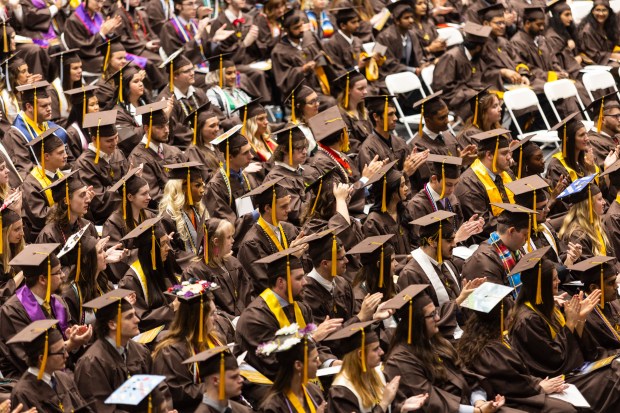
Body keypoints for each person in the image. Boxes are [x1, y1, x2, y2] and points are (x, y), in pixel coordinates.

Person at [507, 250, 620, 412]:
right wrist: (571, 323)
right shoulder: (527, 320)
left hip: (574, 368)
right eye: (553, 279)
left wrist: (580, 319)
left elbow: (582, 349)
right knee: (614, 379)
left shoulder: (549, 307)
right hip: (558, 379)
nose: (559, 281)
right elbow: (554, 361)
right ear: (542, 284)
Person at [383, 285, 509, 411]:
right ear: (416, 322)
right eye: (431, 315)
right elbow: (431, 403)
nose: (438, 318)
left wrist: (479, 401)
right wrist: (476, 411)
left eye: (436, 312)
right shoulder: (400, 361)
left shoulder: (438, 342)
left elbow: (466, 375)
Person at [457, 282, 578, 412]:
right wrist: (540, 387)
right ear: (498, 320)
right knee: (565, 409)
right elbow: (510, 383)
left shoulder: (479, 337)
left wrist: (539, 383)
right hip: (506, 401)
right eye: (508, 318)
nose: (510, 322)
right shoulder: (488, 350)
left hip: (518, 392)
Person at [235, 246, 340, 381]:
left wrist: (332, 363)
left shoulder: (302, 308)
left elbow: (317, 349)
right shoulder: (255, 317)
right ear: (281, 282)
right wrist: (311, 338)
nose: (305, 282)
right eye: (299, 278)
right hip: (270, 388)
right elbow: (272, 360)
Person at [0, 244, 92, 379]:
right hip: (29, 382)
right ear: (42, 279)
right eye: (58, 272)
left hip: (63, 371)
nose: (63, 276)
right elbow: (28, 360)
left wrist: (72, 335)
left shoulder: (58, 302)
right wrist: (69, 345)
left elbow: (72, 349)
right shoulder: (11, 312)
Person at [401, 211, 485, 340]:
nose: (454, 244)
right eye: (449, 240)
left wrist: (470, 295)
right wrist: (458, 301)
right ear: (431, 241)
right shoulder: (411, 274)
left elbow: (460, 306)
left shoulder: (448, 264)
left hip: (461, 331)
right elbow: (421, 319)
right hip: (437, 341)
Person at [74, 289, 153, 413]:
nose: (137, 320)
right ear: (112, 324)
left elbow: (156, 389)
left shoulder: (140, 351)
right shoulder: (92, 363)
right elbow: (99, 407)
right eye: (129, 317)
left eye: (135, 314)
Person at [325, 321, 429, 413]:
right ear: (361, 355)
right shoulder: (342, 392)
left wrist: (402, 407)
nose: (382, 352)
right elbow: (384, 405)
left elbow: (391, 409)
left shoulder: (378, 373)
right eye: (375, 349)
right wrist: (383, 404)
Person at [152, 280, 220, 412]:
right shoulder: (170, 351)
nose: (217, 318)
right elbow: (179, 392)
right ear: (198, 318)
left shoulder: (215, 338)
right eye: (212, 314)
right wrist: (217, 384)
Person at [302, 228, 389, 328]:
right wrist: (361, 317)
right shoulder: (307, 293)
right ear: (325, 263)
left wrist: (373, 317)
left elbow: (354, 319)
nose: (347, 261)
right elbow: (325, 336)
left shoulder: (342, 284)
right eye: (341, 258)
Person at [9, 320, 91, 412]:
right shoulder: (23, 393)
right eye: (61, 352)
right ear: (41, 358)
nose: (66, 355)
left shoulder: (63, 377)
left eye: (65, 349)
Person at [237, 178, 301, 295]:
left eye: (288, 205)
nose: (289, 209)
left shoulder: (289, 229)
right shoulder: (252, 243)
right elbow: (265, 283)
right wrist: (292, 258)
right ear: (267, 208)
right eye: (283, 206)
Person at [182, 218, 253, 319]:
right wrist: (233, 320)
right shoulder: (195, 272)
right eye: (229, 237)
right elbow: (207, 308)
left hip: (244, 320)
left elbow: (248, 294)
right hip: (219, 325)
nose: (233, 240)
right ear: (216, 241)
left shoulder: (233, 263)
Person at [406, 154, 484, 244]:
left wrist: (470, 228)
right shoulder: (417, 205)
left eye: (456, 184)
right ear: (434, 179)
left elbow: (457, 229)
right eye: (449, 184)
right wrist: (456, 238)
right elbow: (422, 244)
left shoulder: (452, 198)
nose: (452, 190)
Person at [118, 217, 179, 331]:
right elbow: (140, 320)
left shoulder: (162, 267)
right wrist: (172, 308)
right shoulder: (131, 281)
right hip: (151, 336)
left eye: (168, 243)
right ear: (151, 250)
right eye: (164, 244)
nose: (168, 248)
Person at [454, 129, 515, 243]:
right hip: (486, 242)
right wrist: (519, 225)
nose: (509, 157)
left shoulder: (506, 173)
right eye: (504, 153)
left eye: (509, 153)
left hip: (511, 231)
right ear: (489, 155)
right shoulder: (469, 184)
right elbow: (484, 224)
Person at [203, 125, 257, 252]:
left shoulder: (246, 177)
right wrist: (255, 215)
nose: (251, 156)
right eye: (245, 153)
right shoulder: (216, 186)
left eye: (250, 151)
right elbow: (228, 226)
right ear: (230, 157)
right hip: (235, 247)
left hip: (254, 237)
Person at [409, 92, 477, 191]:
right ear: (428, 121)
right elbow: (431, 181)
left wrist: (463, 158)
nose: (447, 121)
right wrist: (459, 162)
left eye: (447, 115)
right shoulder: (418, 146)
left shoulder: (448, 136)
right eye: (442, 118)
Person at [4, 81, 70, 181]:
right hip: (39, 186)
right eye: (44, 106)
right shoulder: (16, 134)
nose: (49, 109)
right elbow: (24, 170)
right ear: (29, 107)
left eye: (50, 104)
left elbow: (70, 160)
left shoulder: (53, 127)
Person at [270, 8, 336, 108]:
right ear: (286, 30)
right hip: (299, 95)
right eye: (296, 28)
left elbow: (324, 58)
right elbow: (283, 82)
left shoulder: (310, 37)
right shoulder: (279, 52)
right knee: (330, 102)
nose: (301, 29)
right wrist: (302, 69)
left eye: (302, 25)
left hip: (320, 86)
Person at [75, 109, 131, 225]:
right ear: (94, 139)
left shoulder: (117, 153)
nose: (115, 143)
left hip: (125, 211)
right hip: (105, 221)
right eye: (109, 140)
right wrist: (126, 186)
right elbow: (98, 202)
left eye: (116, 137)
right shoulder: (84, 164)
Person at [35, 171, 99, 271]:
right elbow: (48, 273)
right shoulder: (48, 236)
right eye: (82, 195)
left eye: (86, 193)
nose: (88, 199)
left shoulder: (88, 226)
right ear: (66, 200)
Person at [462, 203, 533, 290]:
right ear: (511, 231)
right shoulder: (482, 260)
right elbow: (496, 299)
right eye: (525, 235)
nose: (527, 240)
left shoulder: (516, 249)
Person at [256, 323, 326, 412]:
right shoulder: (273, 406)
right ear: (298, 365)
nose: (319, 363)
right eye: (315, 359)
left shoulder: (314, 391)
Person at [128, 100, 185, 206]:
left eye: (167, 125)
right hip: (162, 214)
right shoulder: (139, 158)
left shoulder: (173, 151)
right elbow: (153, 197)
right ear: (146, 128)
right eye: (160, 127)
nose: (167, 130)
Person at [431, 22, 490, 121]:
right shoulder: (451, 57)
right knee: (485, 105)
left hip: (468, 95)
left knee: (494, 101)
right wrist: (469, 92)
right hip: (451, 98)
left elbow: (478, 79)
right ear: (478, 47)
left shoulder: (475, 58)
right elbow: (442, 87)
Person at [21, 127, 68, 242]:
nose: (66, 155)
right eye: (60, 153)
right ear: (46, 156)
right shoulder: (31, 184)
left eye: (65, 150)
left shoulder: (61, 174)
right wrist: (67, 202)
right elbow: (40, 218)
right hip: (47, 239)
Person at [158, 50, 208, 151]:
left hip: (204, 141)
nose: (192, 73)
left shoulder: (199, 93)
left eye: (192, 69)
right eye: (186, 71)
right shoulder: (166, 100)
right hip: (183, 149)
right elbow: (176, 132)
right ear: (174, 76)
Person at [569, 256, 620, 355]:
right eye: (611, 283)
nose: (616, 286)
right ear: (593, 288)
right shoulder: (586, 316)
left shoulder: (612, 301)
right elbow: (595, 353)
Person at [558, 174, 614, 263]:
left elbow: (614, 260)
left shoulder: (600, 225)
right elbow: (589, 270)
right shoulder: (576, 235)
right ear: (588, 205)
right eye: (599, 199)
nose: (604, 202)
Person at [61, 234, 115, 325]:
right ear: (86, 259)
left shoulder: (106, 285)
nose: (105, 255)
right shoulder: (70, 296)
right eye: (100, 251)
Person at [478, 4, 532, 94]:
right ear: (486, 24)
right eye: (498, 23)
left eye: (503, 23)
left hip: (514, 84)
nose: (502, 26)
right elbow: (480, 74)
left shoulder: (504, 42)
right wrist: (502, 72)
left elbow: (518, 61)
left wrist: (522, 75)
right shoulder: (480, 46)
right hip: (495, 87)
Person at [264, 125, 311, 226]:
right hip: (295, 232)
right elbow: (299, 213)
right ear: (285, 150)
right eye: (299, 148)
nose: (305, 152)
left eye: (305, 147)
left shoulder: (303, 169)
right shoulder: (277, 178)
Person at [185, 345, 251, 413]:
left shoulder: (242, 410)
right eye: (234, 377)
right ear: (215, 380)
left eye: (239, 375)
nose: (241, 380)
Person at [63, 0, 123, 73]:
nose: (100, 5)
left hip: (100, 55)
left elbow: (107, 39)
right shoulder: (73, 20)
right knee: (117, 64)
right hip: (86, 60)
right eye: (97, 1)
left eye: (102, 2)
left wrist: (110, 32)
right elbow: (81, 49)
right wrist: (101, 33)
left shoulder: (99, 15)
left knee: (126, 61)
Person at [357, 95, 411, 173]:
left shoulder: (400, 141)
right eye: (390, 114)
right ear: (376, 117)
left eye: (395, 113)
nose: (395, 118)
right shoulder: (368, 149)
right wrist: (405, 173)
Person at [376, 0, 427, 80]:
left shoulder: (412, 34)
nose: (411, 21)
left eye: (412, 17)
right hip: (389, 75)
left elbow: (419, 55)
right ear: (397, 21)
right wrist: (412, 70)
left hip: (411, 74)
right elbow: (384, 63)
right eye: (406, 18)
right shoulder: (382, 37)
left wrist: (423, 64)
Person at [546, 113, 600, 188]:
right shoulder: (556, 167)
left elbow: (603, 189)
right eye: (581, 135)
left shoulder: (587, 158)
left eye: (586, 134)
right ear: (568, 139)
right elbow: (567, 197)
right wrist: (591, 172)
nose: (587, 138)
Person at [109, 63, 151, 156]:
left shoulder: (144, 102)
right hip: (134, 157)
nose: (141, 84)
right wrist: (153, 124)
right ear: (126, 87)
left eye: (141, 80)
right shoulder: (118, 113)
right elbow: (130, 139)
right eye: (136, 81)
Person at [331, 70, 373, 153]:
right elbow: (351, 147)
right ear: (348, 90)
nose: (365, 92)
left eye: (366, 87)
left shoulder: (364, 111)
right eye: (360, 89)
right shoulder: (341, 116)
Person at [546, 0, 589, 79]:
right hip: (567, 74)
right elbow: (556, 63)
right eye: (567, 15)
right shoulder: (552, 37)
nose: (571, 18)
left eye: (571, 14)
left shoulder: (566, 31)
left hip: (577, 69)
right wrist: (570, 52)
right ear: (557, 16)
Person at [184, 103, 224, 183]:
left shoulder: (218, 146)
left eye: (218, 125)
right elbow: (204, 179)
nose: (217, 129)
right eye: (212, 126)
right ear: (199, 129)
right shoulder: (193, 152)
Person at [205, 53, 252, 119]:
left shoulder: (238, 92)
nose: (234, 76)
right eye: (229, 73)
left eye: (234, 72)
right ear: (217, 75)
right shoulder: (212, 96)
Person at [577, 0, 620, 65]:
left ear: (609, 12)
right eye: (598, 10)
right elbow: (593, 54)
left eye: (604, 10)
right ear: (593, 11)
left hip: (608, 59)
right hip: (593, 63)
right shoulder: (587, 30)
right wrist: (613, 55)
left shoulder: (609, 26)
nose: (601, 13)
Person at [64, 85, 100, 162]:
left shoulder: (98, 123)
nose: (96, 107)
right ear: (81, 108)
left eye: (97, 103)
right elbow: (74, 161)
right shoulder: (73, 132)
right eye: (92, 105)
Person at [48, 49, 83, 126]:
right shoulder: (53, 90)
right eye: (75, 68)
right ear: (65, 70)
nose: (80, 71)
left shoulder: (81, 86)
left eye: (80, 67)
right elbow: (54, 122)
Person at [587, 94, 620, 166]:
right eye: (616, 116)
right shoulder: (593, 142)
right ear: (602, 119)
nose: (619, 119)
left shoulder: (616, 135)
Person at [0, 209, 25, 304]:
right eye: (16, 229)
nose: (22, 233)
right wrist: (24, 271)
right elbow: (2, 293)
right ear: (4, 232)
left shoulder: (15, 246)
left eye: (22, 228)